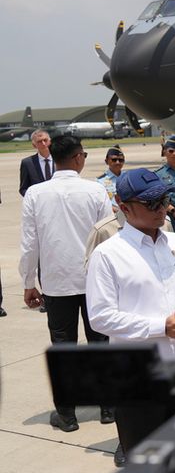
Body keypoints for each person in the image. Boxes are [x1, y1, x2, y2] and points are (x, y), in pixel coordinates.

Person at [86, 168, 175, 464]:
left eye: (164, 200)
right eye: (151, 204)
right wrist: (161, 326)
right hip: (140, 384)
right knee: (148, 469)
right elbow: (100, 317)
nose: (162, 209)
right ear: (123, 205)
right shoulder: (108, 255)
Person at [19, 134, 114, 432]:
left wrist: (28, 282)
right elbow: (109, 237)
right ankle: (108, 408)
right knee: (100, 343)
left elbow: (29, 244)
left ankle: (67, 415)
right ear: (76, 158)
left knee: (63, 346)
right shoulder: (96, 191)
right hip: (94, 279)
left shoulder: (35, 193)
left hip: (57, 282)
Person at [19, 129, 53, 196]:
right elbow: (23, 189)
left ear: (50, 142)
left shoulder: (60, 159)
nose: (43, 143)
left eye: (45, 140)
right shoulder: (27, 163)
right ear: (34, 145)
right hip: (38, 204)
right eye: (39, 141)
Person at [96, 145, 125, 213]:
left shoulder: (128, 178)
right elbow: (100, 202)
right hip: (111, 215)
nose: (117, 162)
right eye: (114, 160)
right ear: (106, 161)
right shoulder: (100, 181)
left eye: (121, 160)